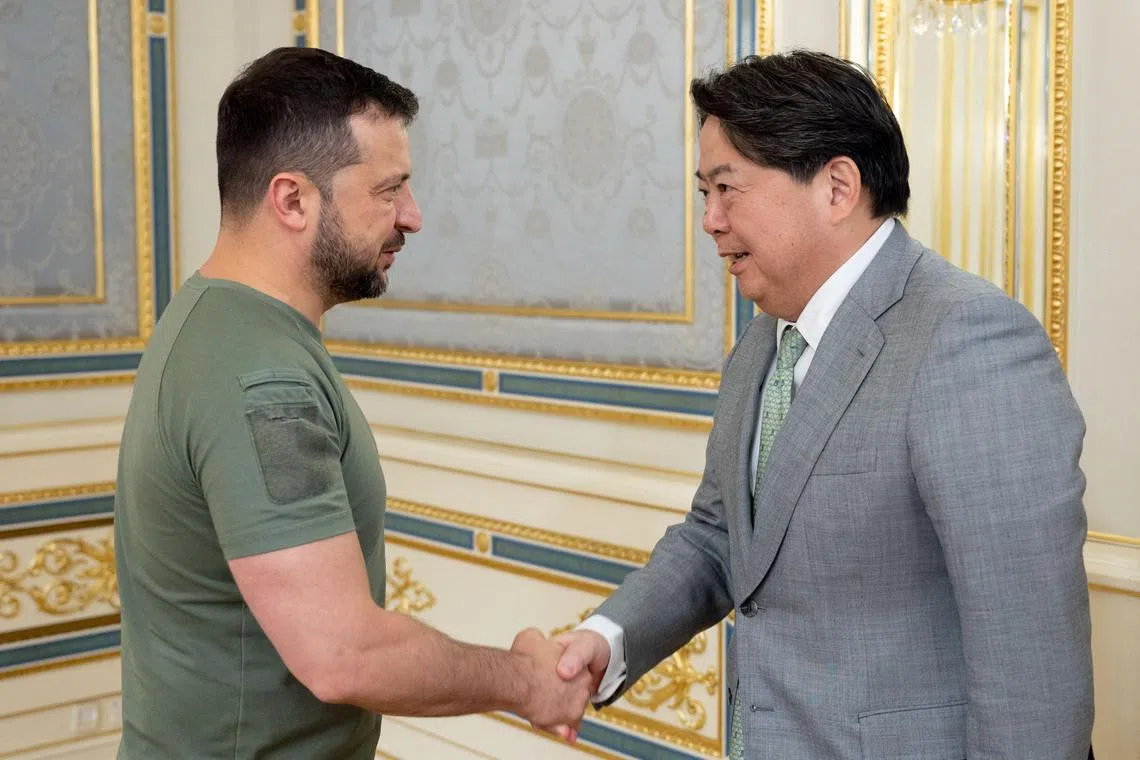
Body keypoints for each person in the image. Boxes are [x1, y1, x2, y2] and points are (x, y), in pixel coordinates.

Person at [554, 50, 1094, 759]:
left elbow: (1033, 659)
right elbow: (721, 536)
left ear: (838, 187)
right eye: (703, 193)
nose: (710, 221)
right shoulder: (763, 342)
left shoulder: (966, 337)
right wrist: (606, 639)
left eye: (727, 188)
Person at [113, 46, 589, 759]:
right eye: (388, 189)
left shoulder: (220, 322)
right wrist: (525, 681)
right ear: (293, 199)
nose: (413, 216)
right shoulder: (260, 379)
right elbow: (344, 654)